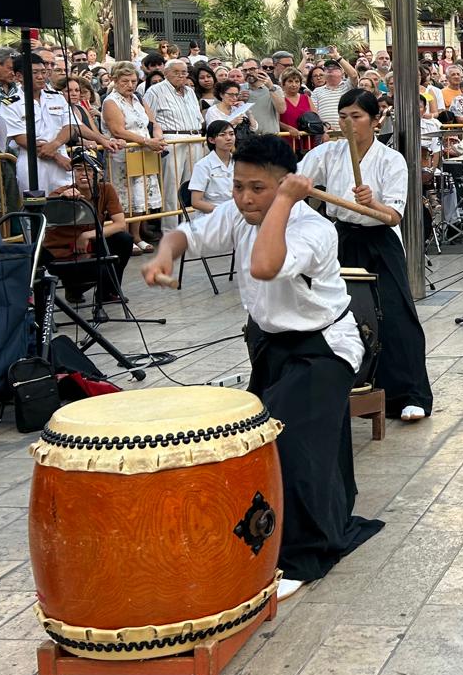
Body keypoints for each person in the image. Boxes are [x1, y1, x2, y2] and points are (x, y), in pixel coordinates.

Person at [143, 135, 383, 596]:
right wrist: (164, 254)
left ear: (287, 185)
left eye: (258, 188)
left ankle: (302, 556)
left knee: (289, 442)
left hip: (325, 348)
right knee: (288, 440)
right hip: (272, 344)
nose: (245, 198)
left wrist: (288, 203)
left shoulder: (313, 229)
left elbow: (265, 266)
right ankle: (308, 522)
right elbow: (185, 233)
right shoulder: (240, 212)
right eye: (238, 187)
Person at [297, 89, 433, 422]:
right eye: (343, 117)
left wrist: (371, 202)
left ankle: (410, 394)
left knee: (395, 315)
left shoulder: (391, 160)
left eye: (356, 117)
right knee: (339, 316)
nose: (348, 124)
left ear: (376, 119)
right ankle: (353, 389)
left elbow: (393, 216)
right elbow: (297, 183)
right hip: (342, 238)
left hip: (380, 240)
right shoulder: (328, 153)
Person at [43, 157, 132, 306]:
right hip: (63, 251)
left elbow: (120, 224)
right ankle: (73, 287)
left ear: (100, 174)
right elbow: (48, 212)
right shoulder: (62, 193)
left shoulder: (106, 189)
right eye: (78, 169)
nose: (83, 173)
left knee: (124, 239)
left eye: (89, 169)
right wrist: (62, 200)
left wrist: (86, 235)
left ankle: (107, 293)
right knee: (104, 270)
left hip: (89, 245)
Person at [102, 62, 167, 252]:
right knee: (126, 196)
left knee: (141, 196)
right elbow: (117, 130)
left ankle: (137, 236)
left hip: (144, 153)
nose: (130, 85)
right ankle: (126, 237)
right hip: (123, 155)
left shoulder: (138, 98)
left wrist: (157, 135)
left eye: (133, 81)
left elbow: (152, 120)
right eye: (125, 81)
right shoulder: (110, 101)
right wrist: (145, 141)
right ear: (115, 80)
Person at [146, 59, 206, 229]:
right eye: (176, 72)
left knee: (194, 186)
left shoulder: (190, 92)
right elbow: (149, 118)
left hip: (194, 139)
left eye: (184, 72)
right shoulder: (155, 91)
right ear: (166, 73)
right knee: (171, 188)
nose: (181, 75)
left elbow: (198, 118)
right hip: (172, 140)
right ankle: (170, 230)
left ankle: (193, 226)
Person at [3, 52, 74, 194]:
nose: (41, 77)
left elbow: (70, 126)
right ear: (19, 76)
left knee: (67, 204)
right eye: (34, 73)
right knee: (36, 206)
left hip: (61, 159)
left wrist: (54, 146)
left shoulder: (57, 97)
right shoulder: (10, 104)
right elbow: (20, 138)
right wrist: (55, 156)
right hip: (32, 160)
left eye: (43, 72)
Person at [188, 120, 237, 213]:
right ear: (211, 140)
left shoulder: (239, 162)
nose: (229, 138)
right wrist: (223, 212)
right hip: (212, 216)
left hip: (236, 212)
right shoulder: (202, 165)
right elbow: (196, 202)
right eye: (222, 135)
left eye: (231, 134)